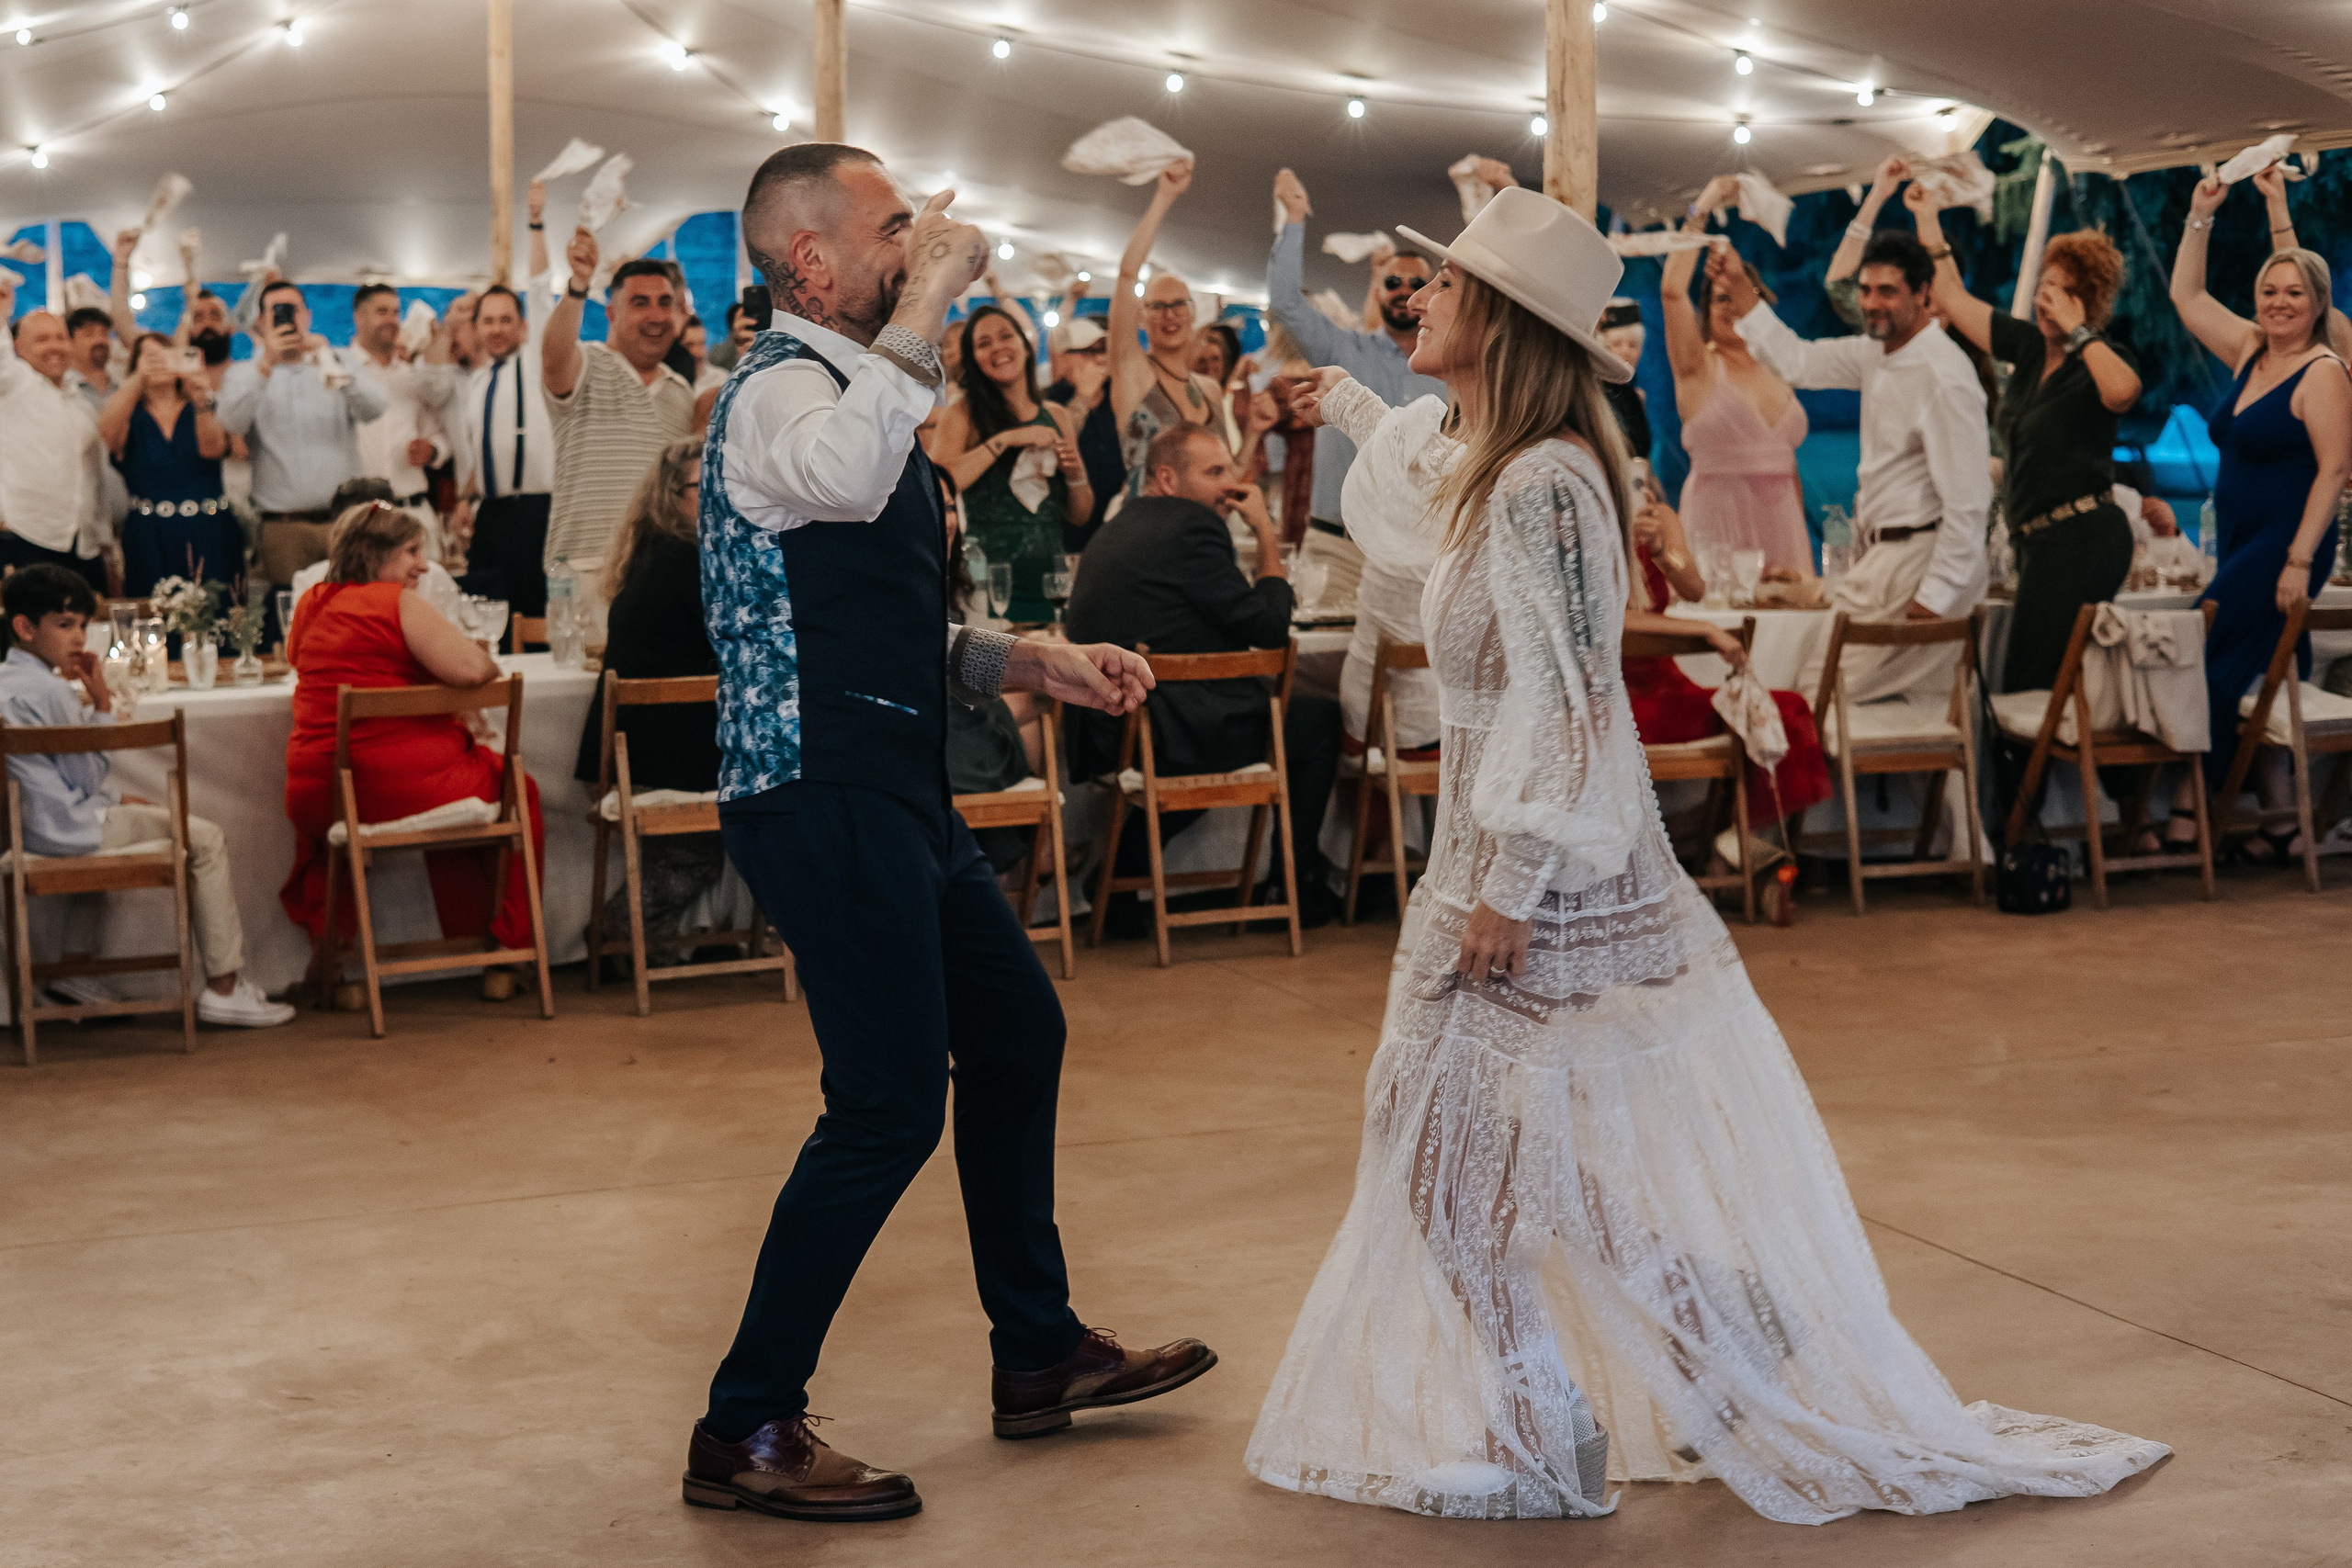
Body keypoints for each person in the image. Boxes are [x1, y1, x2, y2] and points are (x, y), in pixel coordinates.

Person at [1247, 183, 2167, 1523]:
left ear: (1495, 318)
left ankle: (1562, 1409)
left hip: (1536, 857)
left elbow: (1568, 696)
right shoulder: (1505, 467)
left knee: (1448, 1142)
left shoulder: (1551, 481)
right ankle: (1688, 1326)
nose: (1416, 297)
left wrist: (1508, 883)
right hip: (1498, 843)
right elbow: (1426, 489)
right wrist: (1337, 405)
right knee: (1463, 1141)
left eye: (1439, 284)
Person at [687, 140, 1210, 1524]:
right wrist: (928, 308)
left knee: (1019, 1030)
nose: (917, 244)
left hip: (895, 782)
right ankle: (743, 1421)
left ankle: (1037, 1351)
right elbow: (852, 484)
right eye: (890, 229)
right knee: (887, 1102)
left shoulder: (858, 385)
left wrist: (1029, 661)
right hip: (814, 787)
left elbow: (884, 612)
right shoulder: (778, 393)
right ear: (811, 260)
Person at [1065, 422, 1346, 922]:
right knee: (1316, 721)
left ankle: (1121, 880)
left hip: (1110, 724)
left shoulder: (1122, 524)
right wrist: (1265, 531)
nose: (1228, 485)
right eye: (1214, 472)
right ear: (1168, 479)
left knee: (1236, 723)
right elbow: (1267, 627)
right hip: (1164, 727)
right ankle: (1294, 883)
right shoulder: (1192, 528)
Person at [0, 565, 297, 1026]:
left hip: (32, 827)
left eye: (82, 625)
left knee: (133, 817)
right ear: (24, 627)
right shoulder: (52, 691)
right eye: (64, 625)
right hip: (72, 829)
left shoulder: (8, 682)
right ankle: (224, 986)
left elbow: (54, 776)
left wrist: (114, 800)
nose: (78, 638)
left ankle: (69, 971)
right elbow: (84, 778)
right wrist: (99, 702)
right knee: (207, 838)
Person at [1713, 233, 1991, 706]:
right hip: (1884, 556)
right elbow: (1797, 361)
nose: (1871, 303)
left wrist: (1936, 597)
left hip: (1918, 559)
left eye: (1887, 291)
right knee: (1910, 705)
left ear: (1924, 293)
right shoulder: (1875, 354)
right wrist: (1742, 291)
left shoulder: (1944, 374)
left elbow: (1970, 502)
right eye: (1865, 290)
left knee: (1817, 689)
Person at [279, 502, 544, 996]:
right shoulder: (395, 602)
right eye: (411, 552)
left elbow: (302, 661)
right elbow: (473, 671)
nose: (423, 565)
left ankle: (331, 963)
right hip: (396, 786)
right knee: (517, 788)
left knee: (325, 826)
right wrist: (475, 655)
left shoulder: (311, 602)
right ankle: (505, 954)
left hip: (320, 789)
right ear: (375, 556)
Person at [2172, 174, 2352, 861]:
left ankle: (2195, 810)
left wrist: (2301, 560)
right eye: (2269, 291)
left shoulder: (2324, 371)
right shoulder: (2251, 352)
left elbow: (2334, 470)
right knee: (2268, 672)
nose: (2279, 302)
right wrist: (2199, 217)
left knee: (2201, 656)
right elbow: (2187, 297)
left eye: (2294, 293)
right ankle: (2280, 818)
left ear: (2317, 305)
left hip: (2285, 545)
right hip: (2244, 540)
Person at [1916, 193, 2141, 698]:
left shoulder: (2102, 358)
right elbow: (1952, 298)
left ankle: (2029, 779)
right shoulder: (2029, 348)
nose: (2044, 300)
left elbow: (2123, 392)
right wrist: (1926, 215)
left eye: (2060, 293)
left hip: (2082, 538)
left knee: (2024, 687)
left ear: (2087, 302)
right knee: (2029, 684)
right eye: (2043, 287)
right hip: (2038, 544)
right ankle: (2049, 776)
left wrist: (2080, 332)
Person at [568, 438, 726, 949]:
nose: (722, 495)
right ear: (670, 495)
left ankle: (643, 943)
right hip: (671, 750)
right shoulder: (688, 560)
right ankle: (619, 939)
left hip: (640, 748)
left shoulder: (654, 552)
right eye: (706, 486)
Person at [1265, 165, 1446, 537]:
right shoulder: (1341, 351)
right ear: (1377, 290)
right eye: (1392, 281)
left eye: (1416, 283)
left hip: (1415, 542)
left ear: (1429, 292)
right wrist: (1294, 216)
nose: (1403, 290)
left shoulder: (1448, 366)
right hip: (1337, 540)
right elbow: (1285, 303)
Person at [1662, 179, 1814, 579]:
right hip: (1717, 522)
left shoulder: (1782, 369)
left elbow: (1789, 467)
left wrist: (1802, 549)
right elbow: (1672, 292)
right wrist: (1704, 205)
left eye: (1740, 296)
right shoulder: (1698, 367)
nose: (1730, 308)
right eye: (1719, 298)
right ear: (1706, 311)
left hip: (1784, 525)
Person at [541, 230, 695, 581]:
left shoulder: (680, 391)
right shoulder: (586, 365)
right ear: (611, 313)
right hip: (583, 569)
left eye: (664, 303)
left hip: (658, 573)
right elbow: (553, 355)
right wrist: (579, 284)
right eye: (640, 303)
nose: (656, 316)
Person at [217, 279, 390, 588]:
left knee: (351, 612)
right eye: (277, 312)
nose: (288, 319)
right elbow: (231, 423)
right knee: (292, 621)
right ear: (261, 322)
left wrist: (330, 363)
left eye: (293, 310)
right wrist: (267, 365)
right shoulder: (245, 372)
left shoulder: (338, 360)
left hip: (344, 521)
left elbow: (375, 409)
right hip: (284, 528)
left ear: (307, 316)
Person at [929, 305, 1091, 621]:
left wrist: (1074, 474)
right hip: (990, 587)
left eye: (1006, 336)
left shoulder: (1057, 416)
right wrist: (1005, 441)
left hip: (1051, 584)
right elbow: (938, 484)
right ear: (973, 358)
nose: (998, 348)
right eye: (984, 343)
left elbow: (1080, 514)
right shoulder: (963, 414)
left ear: (1026, 347)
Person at [1108, 161, 1225, 490]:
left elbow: (1227, 473)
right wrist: (1164, 196)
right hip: (1151, 533)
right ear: (1142, 317)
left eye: (1177, 305)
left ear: (1191, 313)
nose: (1169, 315)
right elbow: (1127, 274)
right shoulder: (1134, 374)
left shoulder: (1211, 390)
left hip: (1208, 532)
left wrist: (1256, 431)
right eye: (1157, 306)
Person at [97, 332, 240, 595]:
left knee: (216, 612)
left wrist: (201, 398)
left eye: (165, 355)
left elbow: (213, 450)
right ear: (135, 365)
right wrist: (137, 380)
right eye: (150, 357)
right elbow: (105, 438)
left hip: (209, 531)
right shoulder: (130, 416)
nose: (159, 363)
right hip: (150, 537)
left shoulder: (199, 406)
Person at [0, 276, 112, 591]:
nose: (54, 347)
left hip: (86, 544)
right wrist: (3, 309)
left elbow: (94, 478)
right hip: (30, 537)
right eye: (43, 339)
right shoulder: (14, 384)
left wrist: (105, 542)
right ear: (19, 347)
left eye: (60, 338)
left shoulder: (80, 399)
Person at [455, 283, 557, 615]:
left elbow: (541, 299)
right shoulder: (478, 381)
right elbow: (483, 453)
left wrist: (537, 228)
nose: (496, 329)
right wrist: (465, 500)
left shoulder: (535, 365)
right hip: (490, 514)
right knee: (481, 608)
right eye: (488, 321)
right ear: (476, 328)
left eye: (505, 320)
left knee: (530, 612)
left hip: (533, 510)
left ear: (523, 326)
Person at [348, 283, 461, 558]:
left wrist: (431, 449)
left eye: (395, 312)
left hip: (411, 509)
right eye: (382, 312)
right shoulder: (342, 373)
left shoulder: (412, 377)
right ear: (359, 317)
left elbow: (441, 435)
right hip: (362, 516)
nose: (391, 320)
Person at [1040, 314, 1121, 549]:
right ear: (1065, 358)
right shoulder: (1048, 401)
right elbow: (1053, 449)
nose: (1099, 359)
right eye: (1088, 352)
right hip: (1067, 534)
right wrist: (1083, 397)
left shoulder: (1119, 398)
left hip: (1116, 532)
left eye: (1103, 350)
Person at [1597, 299, 1651, 464]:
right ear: (1603, 347)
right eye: (1616, 344)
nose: (1625, 352)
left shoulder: (1635, 397)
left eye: (1633, 345)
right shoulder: (1595, 394)